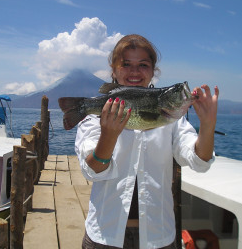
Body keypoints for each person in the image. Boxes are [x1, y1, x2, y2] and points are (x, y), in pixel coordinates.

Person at [75, 34, 219, 249]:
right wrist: (109, 135)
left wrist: (208, 125)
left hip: (159, 237)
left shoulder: (172, 121)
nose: (135, 71)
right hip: (104, 235)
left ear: (153, 72)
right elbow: (91, 171)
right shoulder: (95, 118)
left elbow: (199, 161)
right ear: (113, 71)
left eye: (143, 65)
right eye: (126, 64)